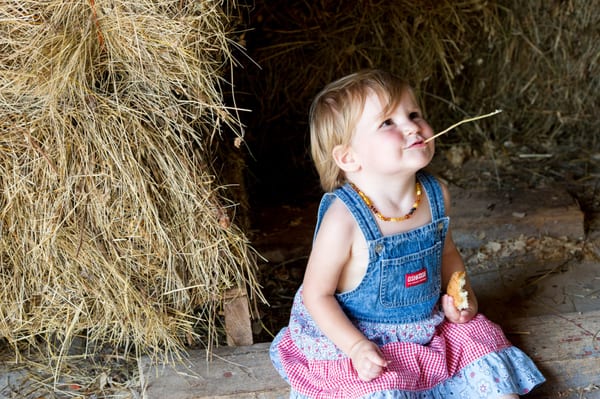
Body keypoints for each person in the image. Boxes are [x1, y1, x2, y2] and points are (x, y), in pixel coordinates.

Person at [269, 69, 545, 398]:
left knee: (485, 362)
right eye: (387, 122)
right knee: (385, 389)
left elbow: (446, 255)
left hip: (427, 326)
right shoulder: (344, 219)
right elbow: (317, 295)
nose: (413, 126)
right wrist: (356, 347)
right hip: (360, 336)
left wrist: (462, 297)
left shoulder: (434, 194)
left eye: (413, 114)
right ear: (348, 157)